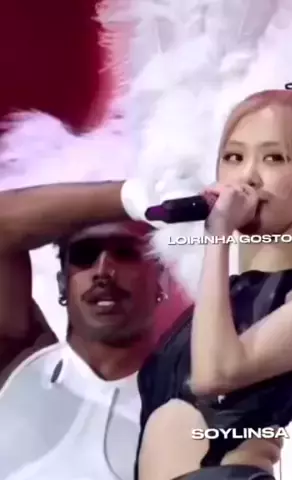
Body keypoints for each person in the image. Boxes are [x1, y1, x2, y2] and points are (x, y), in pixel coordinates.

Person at [135, 79, 292, 480]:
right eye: (233, 157)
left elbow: (215, 374)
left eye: (274, 158)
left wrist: (219, 235)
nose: (247, 176)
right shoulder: (212, 308)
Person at [0, 181, 187, 480]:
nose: (103, 272)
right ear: (62, 284)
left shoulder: (193, 401)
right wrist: (136, 196)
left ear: (161, 281)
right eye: (85, 255)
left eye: (125, 253)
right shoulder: (18, 360)